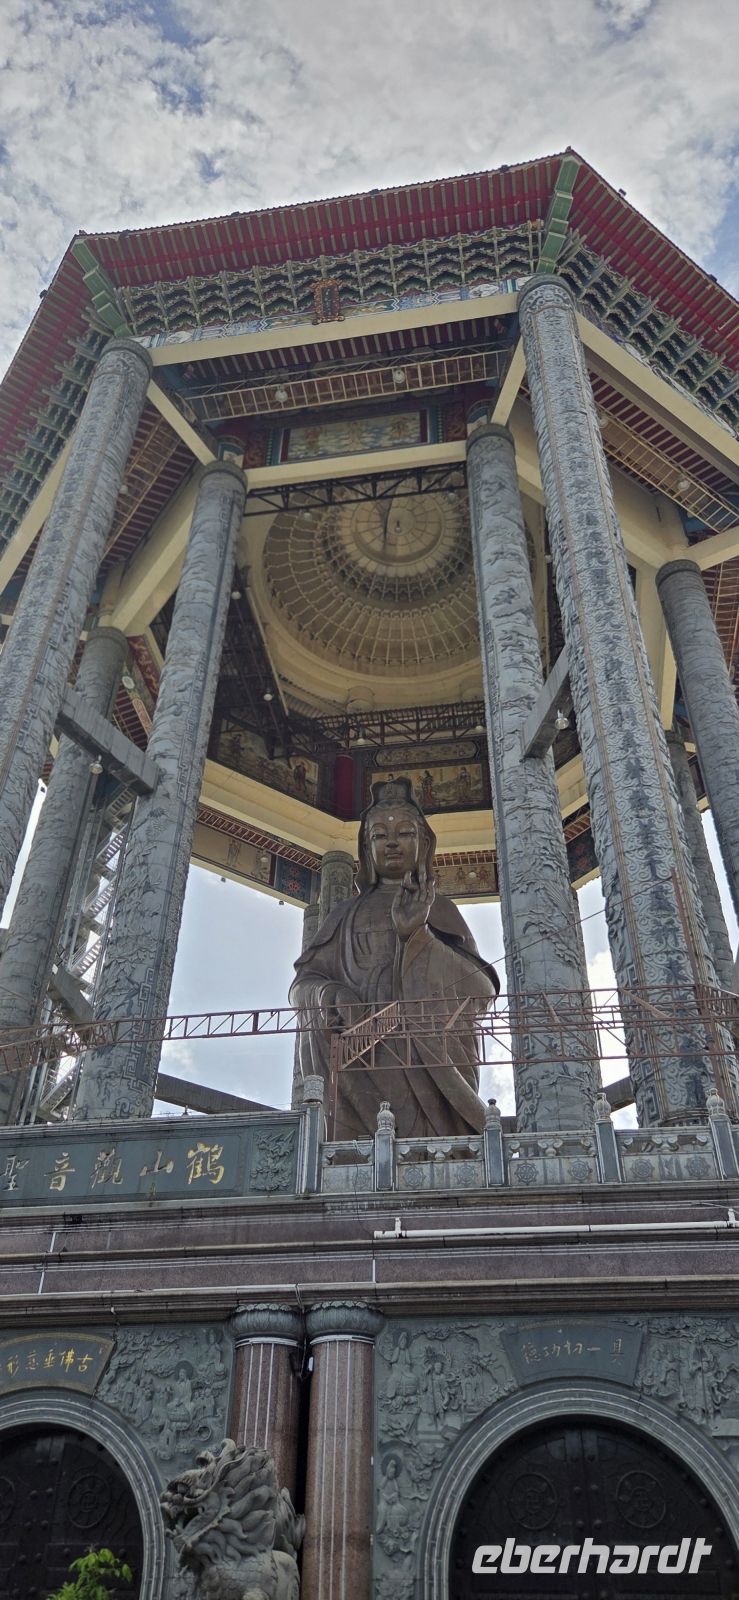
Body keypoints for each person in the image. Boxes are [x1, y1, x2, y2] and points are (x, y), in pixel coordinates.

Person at [289, 779, 498, 1139]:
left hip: (422, 1066)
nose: (391, 842)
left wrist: (417, 936)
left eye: (403, 833)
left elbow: (479, 993)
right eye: (378, 835)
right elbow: (301, 987)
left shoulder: (440, 910)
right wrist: (329, 996)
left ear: (423, 844)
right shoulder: (343, 915)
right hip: (354, 1059)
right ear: (366, 848)